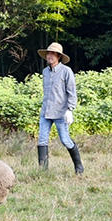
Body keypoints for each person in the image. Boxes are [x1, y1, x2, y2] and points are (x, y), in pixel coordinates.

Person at [37, 42, 83, 174]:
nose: (49, 56)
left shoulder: (66, 72)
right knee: (42, 139)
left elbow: (72, 92)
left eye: (52, 54)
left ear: (58, 56)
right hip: (46, 111)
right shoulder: (45, 72)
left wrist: (70, 110)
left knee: (65, 140)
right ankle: (43, 172)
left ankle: (79, 167)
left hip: (61, 112)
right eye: (48, 53)